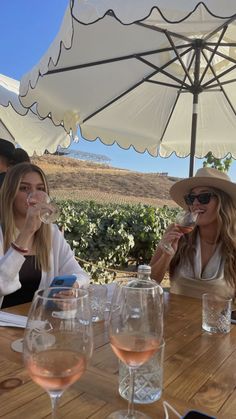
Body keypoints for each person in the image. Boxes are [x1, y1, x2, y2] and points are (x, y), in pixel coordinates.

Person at [0, 162, 90, 308]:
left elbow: (81, 275)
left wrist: (74, 286)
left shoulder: (52, 233)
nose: (34, 196)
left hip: (37, 323)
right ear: (10, 193)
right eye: (24, 188)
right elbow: (1, 285)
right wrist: (26, 232)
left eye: (40, 189)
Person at [150, 167, 236, 299]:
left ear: (222, 203)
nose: (195, 203)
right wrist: (166, 256)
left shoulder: (233, 241)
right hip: (177, 318)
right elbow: (149, 282)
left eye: (204, 197)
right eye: (191, 198)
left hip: (216, 320)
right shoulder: (177, 232)